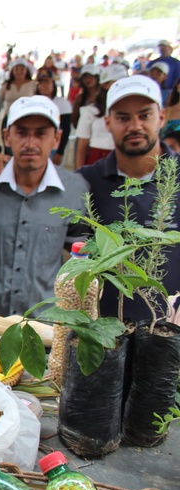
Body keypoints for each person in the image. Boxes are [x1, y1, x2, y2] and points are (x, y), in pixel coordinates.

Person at [0, 96, 89, 317]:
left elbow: (82, 255)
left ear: (56, 139)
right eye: (22, 132)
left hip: (45, 322)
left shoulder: (74, 190)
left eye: (41, 133)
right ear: (7, 136)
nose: (30, 143)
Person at [78, 75, 179, 320]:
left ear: (161, 117)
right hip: (104, 331)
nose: (135, 126)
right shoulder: (86, 181)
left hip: (171, 328)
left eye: (144, 115)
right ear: (108, 123)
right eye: (123, 118)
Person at [75, 65, 126, 168]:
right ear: (105, 85)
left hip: (125, 161)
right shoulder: (90, 111)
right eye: (116, 83)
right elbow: (82, 147)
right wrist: (78, 173)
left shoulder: (132, 112)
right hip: (97, 161)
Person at [36, 69, 73, 166]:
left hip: (54, 147)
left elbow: (66, 129)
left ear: (53, 84)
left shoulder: (62, 103)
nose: (44, 85)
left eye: (47, 82)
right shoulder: (33, 102)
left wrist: (60, 152)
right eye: (41, 83)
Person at [71, 64, 100, 128]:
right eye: (85, 77)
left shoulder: (105, 96)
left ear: (97, 77)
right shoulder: (80, 98)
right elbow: (75, 120)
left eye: (90, 77)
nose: (88, 79)